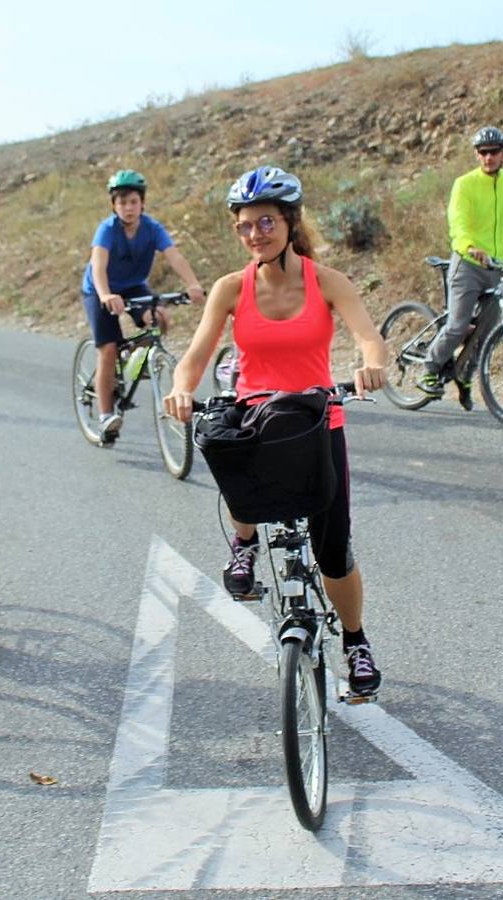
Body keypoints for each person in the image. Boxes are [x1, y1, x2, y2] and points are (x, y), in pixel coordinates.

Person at [163, 166, 391, 697]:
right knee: (230, 451)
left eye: (265, 222)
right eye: (244, 226)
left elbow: (369, 338)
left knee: (333, 549)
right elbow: (194, 357)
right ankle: (243, 540)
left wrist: (371, 365)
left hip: (317, 419)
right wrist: (179, 388)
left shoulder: (327, 281)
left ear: (290, 221)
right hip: (256, 416)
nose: (254, 235)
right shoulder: (230, 289)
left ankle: (355, 641)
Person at [421, 126, 503, 406]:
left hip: (497, 268)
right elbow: (458, 223)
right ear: (477, 155)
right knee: (458, 325)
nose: (489, 157)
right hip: (467, 264)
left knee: (487, 332)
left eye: (494, 152)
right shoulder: (465, 184)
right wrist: (470, 246)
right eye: (483, 152)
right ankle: (430, 370)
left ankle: (464, 375)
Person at [81, 169, 205, 442]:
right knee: (109, 349)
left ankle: (133, 359)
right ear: (114, 205)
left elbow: (174, 256)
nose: (128, 207)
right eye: (122, 202)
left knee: (159, 319)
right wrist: (104, 295)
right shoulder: (107, 230)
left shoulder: (152, 228)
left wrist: (193, 284)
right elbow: (98, 266)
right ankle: (105, 417)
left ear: (142, 203)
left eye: (133, 202)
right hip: (100, 289)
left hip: (134, 286)